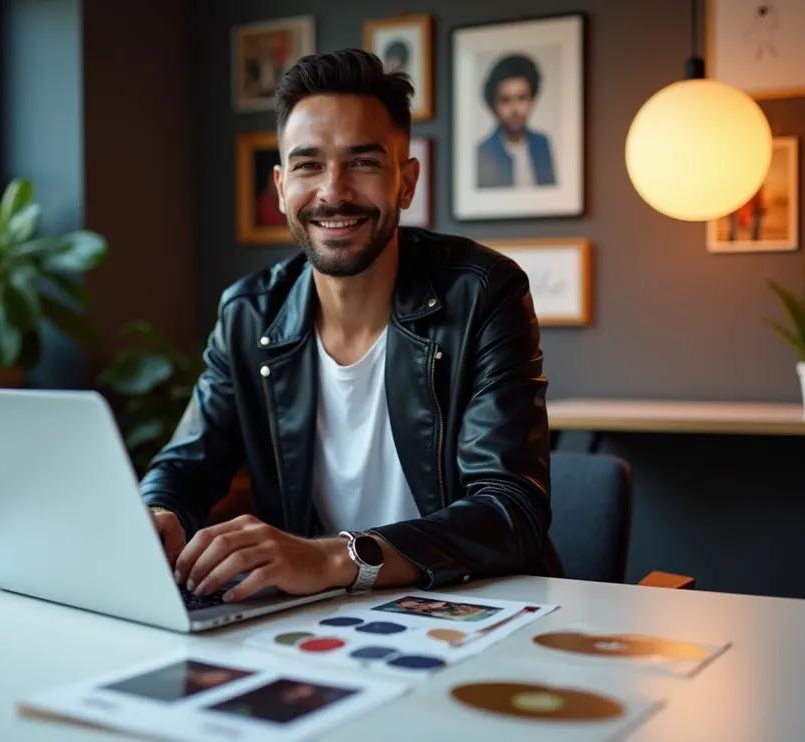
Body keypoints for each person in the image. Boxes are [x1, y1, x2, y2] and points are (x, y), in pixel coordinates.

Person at [140, 48, 562, 605]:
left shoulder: (484, 292)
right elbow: (185, 467)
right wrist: (157, 515)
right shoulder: (248, 314)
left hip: (475, 610)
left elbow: (511, 509)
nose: (333, 191)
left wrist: (332, 558)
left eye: (362, 162)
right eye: (308, 164)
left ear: (405, 183)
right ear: (281, 185)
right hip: (316, 623)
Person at [475, 54, 556, 189]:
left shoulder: (542, 143)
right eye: (506, 100)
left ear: (532, 100)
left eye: (522, 98)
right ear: (494, 105)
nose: (515, 109)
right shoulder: (483, 152)